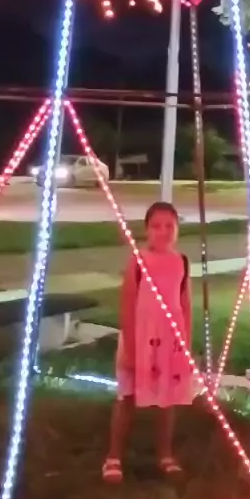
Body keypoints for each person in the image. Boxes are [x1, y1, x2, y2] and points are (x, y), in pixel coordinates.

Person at [102, 201, 193, 483]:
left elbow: (185, 305)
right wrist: (130, 348)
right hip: (140, 338)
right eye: (156, 226)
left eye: (169, 226)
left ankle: (165, 454)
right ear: (146, 230)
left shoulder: (182, 262)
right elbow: (128, 304)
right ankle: (114, 456)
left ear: (177, 229)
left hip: (169, 341)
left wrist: (185, 346)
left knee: (167, 399)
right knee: (127, 397)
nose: (163, 231)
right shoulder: (138, 261)